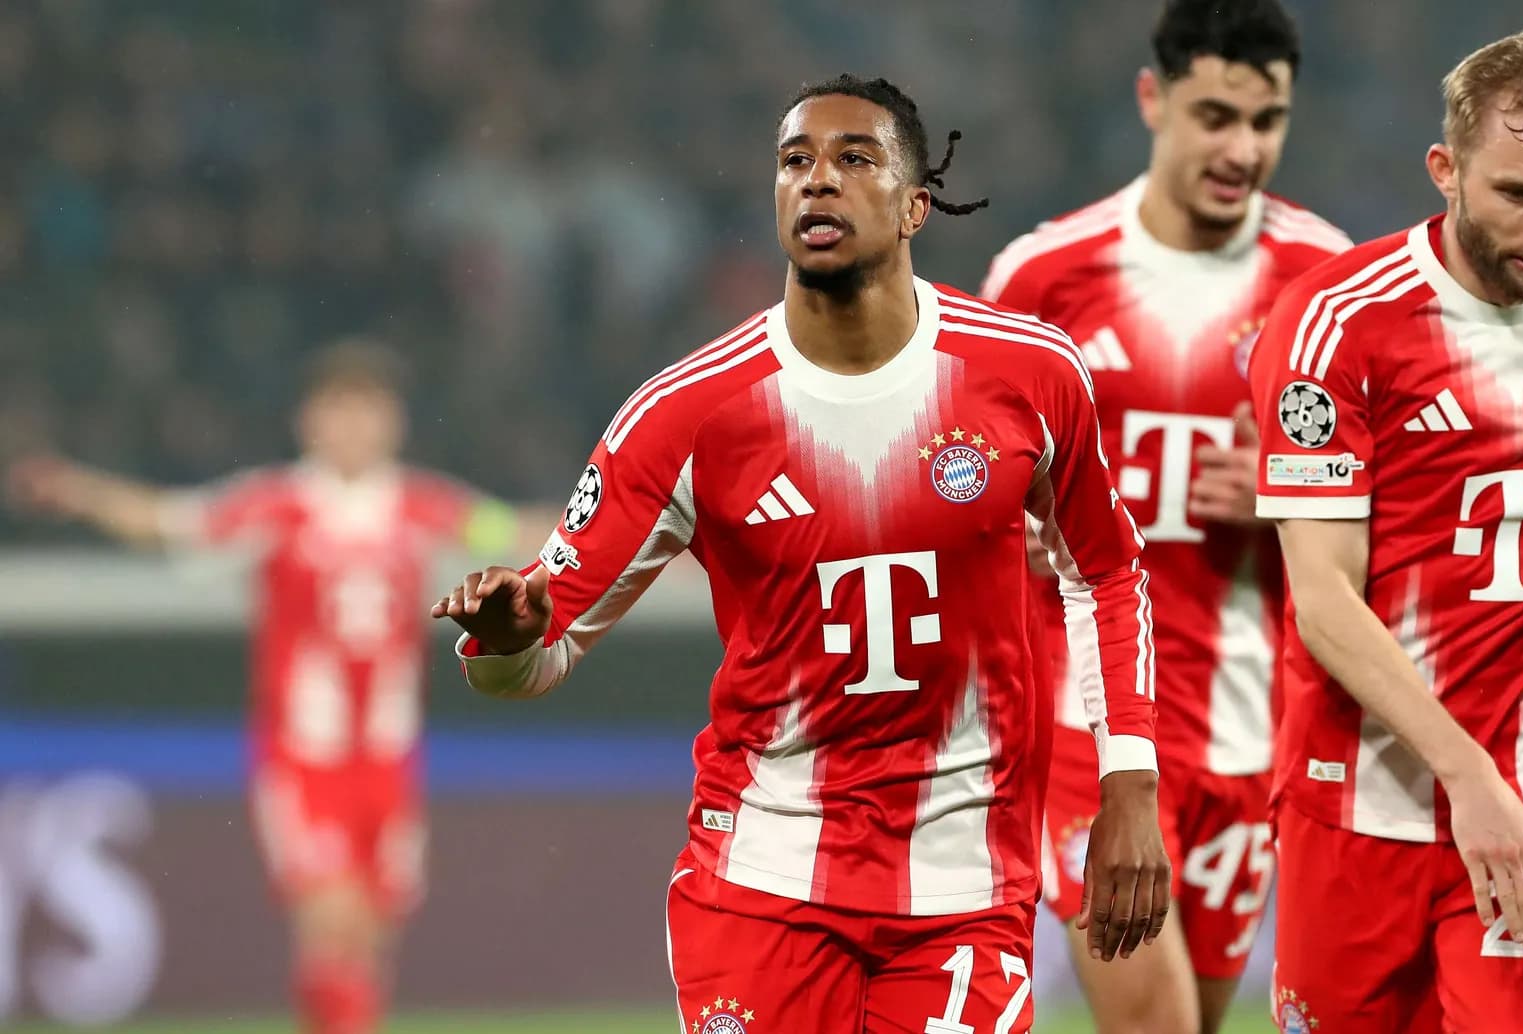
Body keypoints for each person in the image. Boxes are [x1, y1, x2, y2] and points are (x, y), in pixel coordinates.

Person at [433, 74, 1174, 1034]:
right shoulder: (686, 414)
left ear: (916, 206)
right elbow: (533, 660)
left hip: (962, 883)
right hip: (761, 882)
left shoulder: (1025, 373)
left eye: (853, 159)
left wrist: (1128, 778)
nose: (817, 181)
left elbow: (1106, 572)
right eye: (795, 162)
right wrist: (507, 637)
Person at [1247, 21, 1523, 1033]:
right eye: (1517, 194)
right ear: (1445, 170)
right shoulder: (1336, 326)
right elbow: (1322, 598)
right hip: (1358, 794)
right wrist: (1465, 774)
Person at [981, 2, 1348, 1030]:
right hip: (1083, 721)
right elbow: (970, 484)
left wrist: (1286, 491)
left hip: (1249, 726)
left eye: (1266, 120)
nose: (1242, 149)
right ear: (1154, 100)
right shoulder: (1042, 276)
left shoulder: (1325, 283)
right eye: (1215, 115)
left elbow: (1387, 509)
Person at [9, 341, 545, 1034]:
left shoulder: (423, 508)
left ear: (395, 423)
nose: (354, 427)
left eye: (369, 412)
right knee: (331, 917)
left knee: (368, 939)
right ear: (310, 422)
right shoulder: (276, 506)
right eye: (339, 410)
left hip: (388, 760)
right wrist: (82, 493)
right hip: (303, 758)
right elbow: (171, 521)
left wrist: (655, 526)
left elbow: (523, 531)